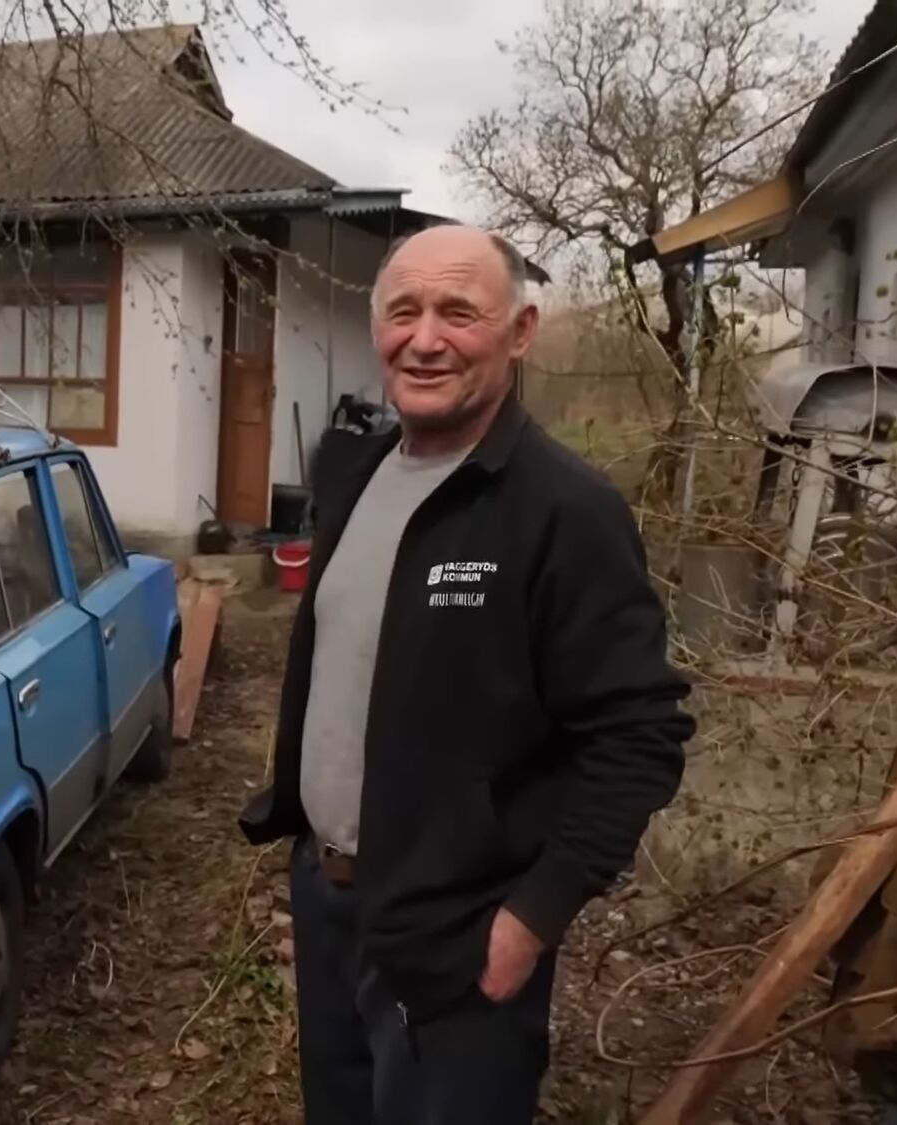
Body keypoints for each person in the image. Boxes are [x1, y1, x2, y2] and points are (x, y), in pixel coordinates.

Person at [239, 225, 695, 1123]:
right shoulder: (357, 473)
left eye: (459, 311)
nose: (425, 338)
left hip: (464, 936)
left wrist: (531, 919)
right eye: (402, 312)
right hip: (331, 905)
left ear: (520, 331)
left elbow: (640, 735)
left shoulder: (566, 510)